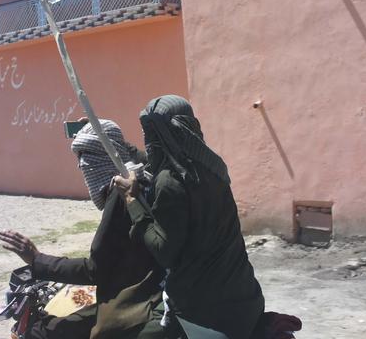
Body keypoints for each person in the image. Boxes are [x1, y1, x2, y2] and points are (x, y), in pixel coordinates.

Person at [0, 119, 176, 339]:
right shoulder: (144, 175)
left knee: (45, 332)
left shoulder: (120, 196)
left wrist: (37, 259)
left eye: (87, 155)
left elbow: (95, 269)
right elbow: (125, 152)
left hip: (135, 294)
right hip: (147, 280)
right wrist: (103, 132)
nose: (82, 165)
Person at [113, 95, 264, 339]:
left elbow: (164, 251)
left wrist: (132, 201)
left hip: (204, 312)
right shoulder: (213, 166)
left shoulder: (170, 180)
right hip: (246, 297)